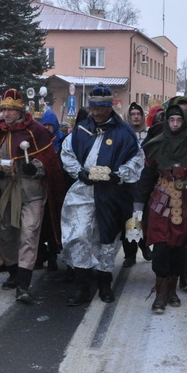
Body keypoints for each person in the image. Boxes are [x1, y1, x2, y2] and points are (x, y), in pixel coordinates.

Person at [60, 84, 144, 306]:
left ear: (109, 108)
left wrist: (118, 175)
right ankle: (82, 286)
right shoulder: (81, 130)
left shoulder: (124, 132)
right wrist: (79, 172)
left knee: (106, 238)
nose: (96, 113)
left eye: (101, 109)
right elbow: (67, 153)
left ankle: (105, 283)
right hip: (84, 191)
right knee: (80, 236)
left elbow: (136, 158)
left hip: (111, 193)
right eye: (93, 109)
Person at [0, 89, 65, 304]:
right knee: (5, 233)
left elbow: (51, 162)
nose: (7, 114)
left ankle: (24, 285)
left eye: (11, 110)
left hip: (32, 192)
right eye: (4, 109)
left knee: (29, 232)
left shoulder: (36, 131)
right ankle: (14, 271)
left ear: (20, 111)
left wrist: (35, 167)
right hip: (6, 190)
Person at [135, 104, 187, 313]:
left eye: (179, 120)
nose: (175, 124)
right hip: (160, 203)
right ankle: (160, 294)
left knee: (180, 250)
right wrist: (138, 207)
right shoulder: (157, 144)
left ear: (185, 122)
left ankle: (172, 290)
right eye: (171, 120)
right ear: (166, 122)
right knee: (160, 249)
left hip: (185, 203)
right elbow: (147, 175)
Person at [122, 101, 152, 267]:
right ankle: (130, 254)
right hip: (127, 183)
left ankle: (145, 245)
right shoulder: (123, 134)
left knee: (143, 217)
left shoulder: (148, 134)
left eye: (138, 114)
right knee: (128, 219)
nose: (135, 117)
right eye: (132, 114)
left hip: (144, 183)